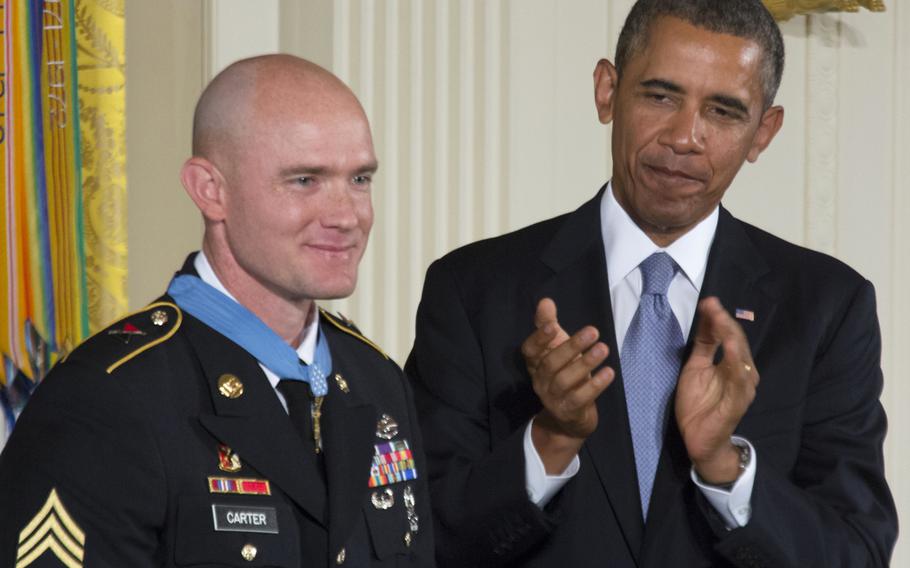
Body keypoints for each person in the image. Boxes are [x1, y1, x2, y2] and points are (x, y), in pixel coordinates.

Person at [405, 1, 897, 566]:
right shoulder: (473, 290)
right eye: (660, 96)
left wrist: (725, 467)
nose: (686, 137)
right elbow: (420, 537)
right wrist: (550, 439)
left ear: (763, 132)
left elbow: (855, 552)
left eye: (724, 111)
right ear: (607, 91)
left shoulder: (827, 308)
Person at [0, 54, 434, 567]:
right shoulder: (107, 398)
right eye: (304, 180)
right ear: (211, 190)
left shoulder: (376, 380)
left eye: (360, 179)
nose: (346, 216)